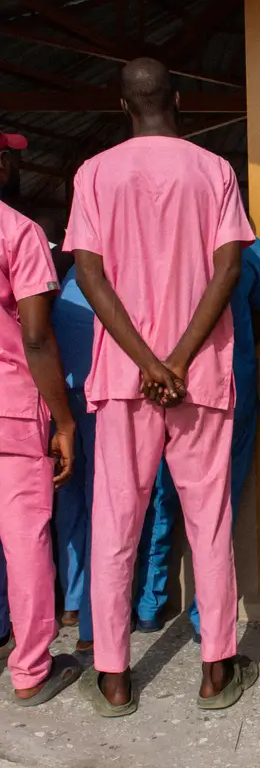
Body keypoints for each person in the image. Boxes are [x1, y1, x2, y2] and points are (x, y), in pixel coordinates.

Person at [63, 58, 257, 716]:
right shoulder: (215, 171)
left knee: (117, 521)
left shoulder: (94, 173)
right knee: (209, 521)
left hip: (125, 379)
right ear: (179, 99)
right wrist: (174, 360)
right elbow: (228, 270)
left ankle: (114, 677)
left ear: (123, 106)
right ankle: (216, 671)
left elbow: (90, 275)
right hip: (198, 376)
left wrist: (148, 363)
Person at [133, 232, 260, 641]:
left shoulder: (164, 239)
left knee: (161, 492)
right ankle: (204, 615)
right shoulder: (252, 250)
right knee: (218, 504)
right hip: (230, 383)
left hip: (166, 381)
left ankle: (150, 602)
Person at [0, 130, 81, 704]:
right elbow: (35, 336)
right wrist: (64, 420)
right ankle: (30, 670)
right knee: (25, 538)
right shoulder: (19, 232)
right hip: (10, 407)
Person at [51, 263, 97, 657]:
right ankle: (93, 619)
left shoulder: (63, 276)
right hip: (100, 399)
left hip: (60, 396)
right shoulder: (106, 271)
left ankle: (72, 602)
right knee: (104, 505)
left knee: (69, 500)